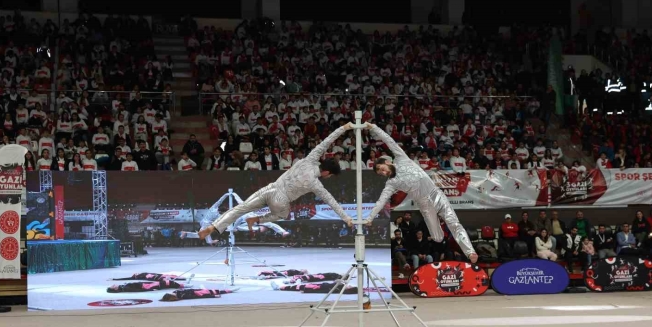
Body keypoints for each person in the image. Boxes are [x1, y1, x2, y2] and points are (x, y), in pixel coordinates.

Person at [198, 124, 353, 240]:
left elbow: (326, 141)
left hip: (270, 188)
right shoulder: (316, 184)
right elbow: (332, 202)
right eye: (330, 175)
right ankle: (257, 219)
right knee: (283, 214)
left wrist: (344, 128)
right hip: (281, 200)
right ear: (327, 172)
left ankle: (213, 227)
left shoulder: (309, 159)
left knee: (241, 208)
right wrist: (346, 218)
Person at [366, 123, 478, 264]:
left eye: (382, 169)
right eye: (380, 173)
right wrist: (370, 217)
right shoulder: (391, 183)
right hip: (424, 204)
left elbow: (388, 140)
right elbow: (381, 201)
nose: (383, 173)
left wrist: (373, 128)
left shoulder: (401, 158)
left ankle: (470, 251)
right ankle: (439, 233)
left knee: (453, 221)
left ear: (387, 161)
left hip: (435, 194)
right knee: (437, 238)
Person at [160, 288, 238, 302]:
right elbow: (197, 296)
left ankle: (229, 290)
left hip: (197, 291)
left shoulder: (176, 292)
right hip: (198, 293)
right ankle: (230, 291)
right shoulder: (183, 296)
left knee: (214, 291)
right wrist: (213, 296)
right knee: (215, 292)